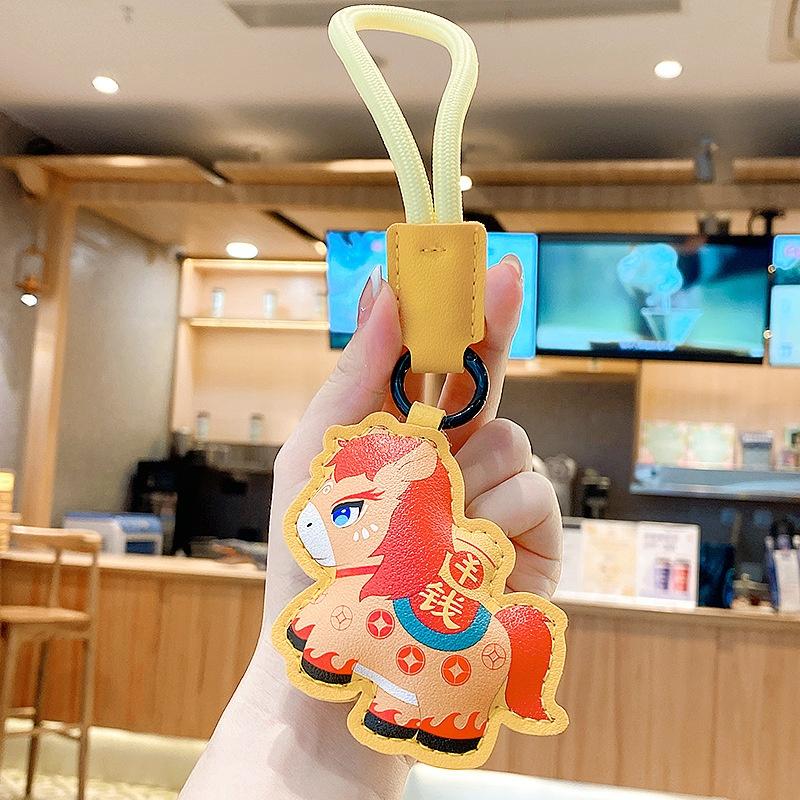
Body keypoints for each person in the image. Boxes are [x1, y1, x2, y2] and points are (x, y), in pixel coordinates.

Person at [180, 254, 563, 800]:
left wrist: (333, 765)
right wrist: (302, 733)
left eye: (345, 513)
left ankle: (444, 706)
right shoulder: (348, 582)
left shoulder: (364, 584)